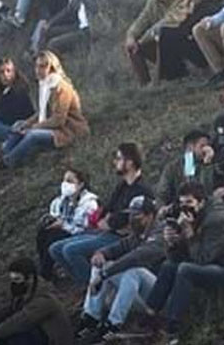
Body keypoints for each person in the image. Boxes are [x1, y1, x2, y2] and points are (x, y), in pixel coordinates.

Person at [142, 182, 224, 340]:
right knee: (169, 266)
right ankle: (150, 316)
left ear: (201, 202)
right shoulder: (194, 217)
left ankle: (172, 327)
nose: (185, 208)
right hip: (217, 261)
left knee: (186, 270)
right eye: (182, 203)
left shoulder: (217, 220)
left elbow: (202, 259)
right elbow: (178, 257)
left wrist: (189, 235)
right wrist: (172, 242)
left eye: (189, 203)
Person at [49, 143, 154, 286]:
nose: (115, 162)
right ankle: (82, 282)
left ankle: (93, 287)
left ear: (129, 162)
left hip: (119, 237)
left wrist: (110, 222)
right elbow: (108, 208)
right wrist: (105, 219)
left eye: (118, 158)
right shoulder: (122, 185)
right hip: (105, 231)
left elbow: (125, 219)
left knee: (70, 251)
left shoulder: (141, 190)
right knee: (55, 249)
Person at [77, 195, 164, 342]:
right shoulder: (138, 234)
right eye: (130, 214)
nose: (132, 218)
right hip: (138, 294)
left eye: (137, 215)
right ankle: (91, 318)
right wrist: (101, 253)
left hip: (159, 297)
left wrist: (105, 274)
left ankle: (113, 324)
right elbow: (119, 247)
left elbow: (135, 257)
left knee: (133, 271)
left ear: (150, 215)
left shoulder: (161, 232)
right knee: (100, 263)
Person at [2, 51, 88, 168]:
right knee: (19, 125)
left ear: (51, 68)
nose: (38, 70)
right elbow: (42, 112)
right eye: (37, 66)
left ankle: (9, 161)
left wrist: (34, 127)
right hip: (52, 127)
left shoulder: (61, 87)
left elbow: (59, 120)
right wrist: (26, 123)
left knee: (32, 135)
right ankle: (6, 154)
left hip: (67, 130)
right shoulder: (45, 85)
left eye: (42, 66)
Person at [0, 257, 74, 345]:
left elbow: (20, 321)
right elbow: (10, 309)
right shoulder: (29, 292)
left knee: (14, 336)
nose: (14, 284)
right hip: (40, 335)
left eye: (17, 279)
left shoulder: (44, 299)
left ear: (29, 277)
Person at [158, 0, 224, 81]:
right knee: (168, 33)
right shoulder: (197, 2)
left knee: (168, 34)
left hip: (213, 49)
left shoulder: (208, 3)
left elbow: (186, 29)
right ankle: (172, 75)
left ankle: (174, 76)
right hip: (204, 43)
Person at [126, 0, 188, 85]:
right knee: (131, 47)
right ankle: (144, 84)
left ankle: (160, 80)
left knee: (162, 36)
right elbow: (141, 21)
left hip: (179, 43)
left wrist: (141, 42)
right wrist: (131, 36)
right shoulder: (153, 2)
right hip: (156, 37)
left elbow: (169, 21)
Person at [34, 169, 97, 280]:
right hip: (67, 229)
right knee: (43, 234)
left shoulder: (89, 203)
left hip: (80, 233)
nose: (65, 184)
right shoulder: (64, 201)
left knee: (53, 238)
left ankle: (47, 273)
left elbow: (85, 227)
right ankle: (46, 269)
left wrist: (63, 225)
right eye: (64, 180)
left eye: (70, 181)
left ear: (81, 184)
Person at [154, 130, 216, 207]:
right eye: (202, 146)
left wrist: (207, 165)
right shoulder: (175, 167)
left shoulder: (210, 166)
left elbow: (207, 190)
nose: (205, 150)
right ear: (190, 146)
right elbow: (162, 193)